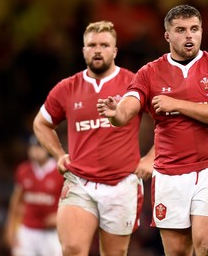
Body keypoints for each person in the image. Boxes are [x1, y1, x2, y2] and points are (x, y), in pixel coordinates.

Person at [97, 4, 208, 256]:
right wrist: (115, 114)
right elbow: (126, 110)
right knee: (176, 251)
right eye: (181, 30)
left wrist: (176, 104)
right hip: (169, 173)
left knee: (207, 245)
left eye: (194, 29)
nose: (189, 35)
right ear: (167, 35)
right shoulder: (149, 73)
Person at [33, 21, 154, 256]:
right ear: (83, 50)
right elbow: (41, 123)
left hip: (122, 183)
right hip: (80, 182)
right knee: (72, 249)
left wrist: (151, 157)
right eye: (92, 45)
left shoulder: (134, 83)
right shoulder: (67, 88)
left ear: (115, 51)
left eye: (104, 45)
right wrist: (59, 155)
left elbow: (168, 123)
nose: (98, 50)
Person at [4, 135, 63, 256]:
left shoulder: (60, 170)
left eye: (39, 147)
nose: (36, 151)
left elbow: (73, 200)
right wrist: (10, 229)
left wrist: (60, 216)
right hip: (27, 229)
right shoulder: (23, 170)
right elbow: (16, 201)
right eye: (33, 147)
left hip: (51, 232)